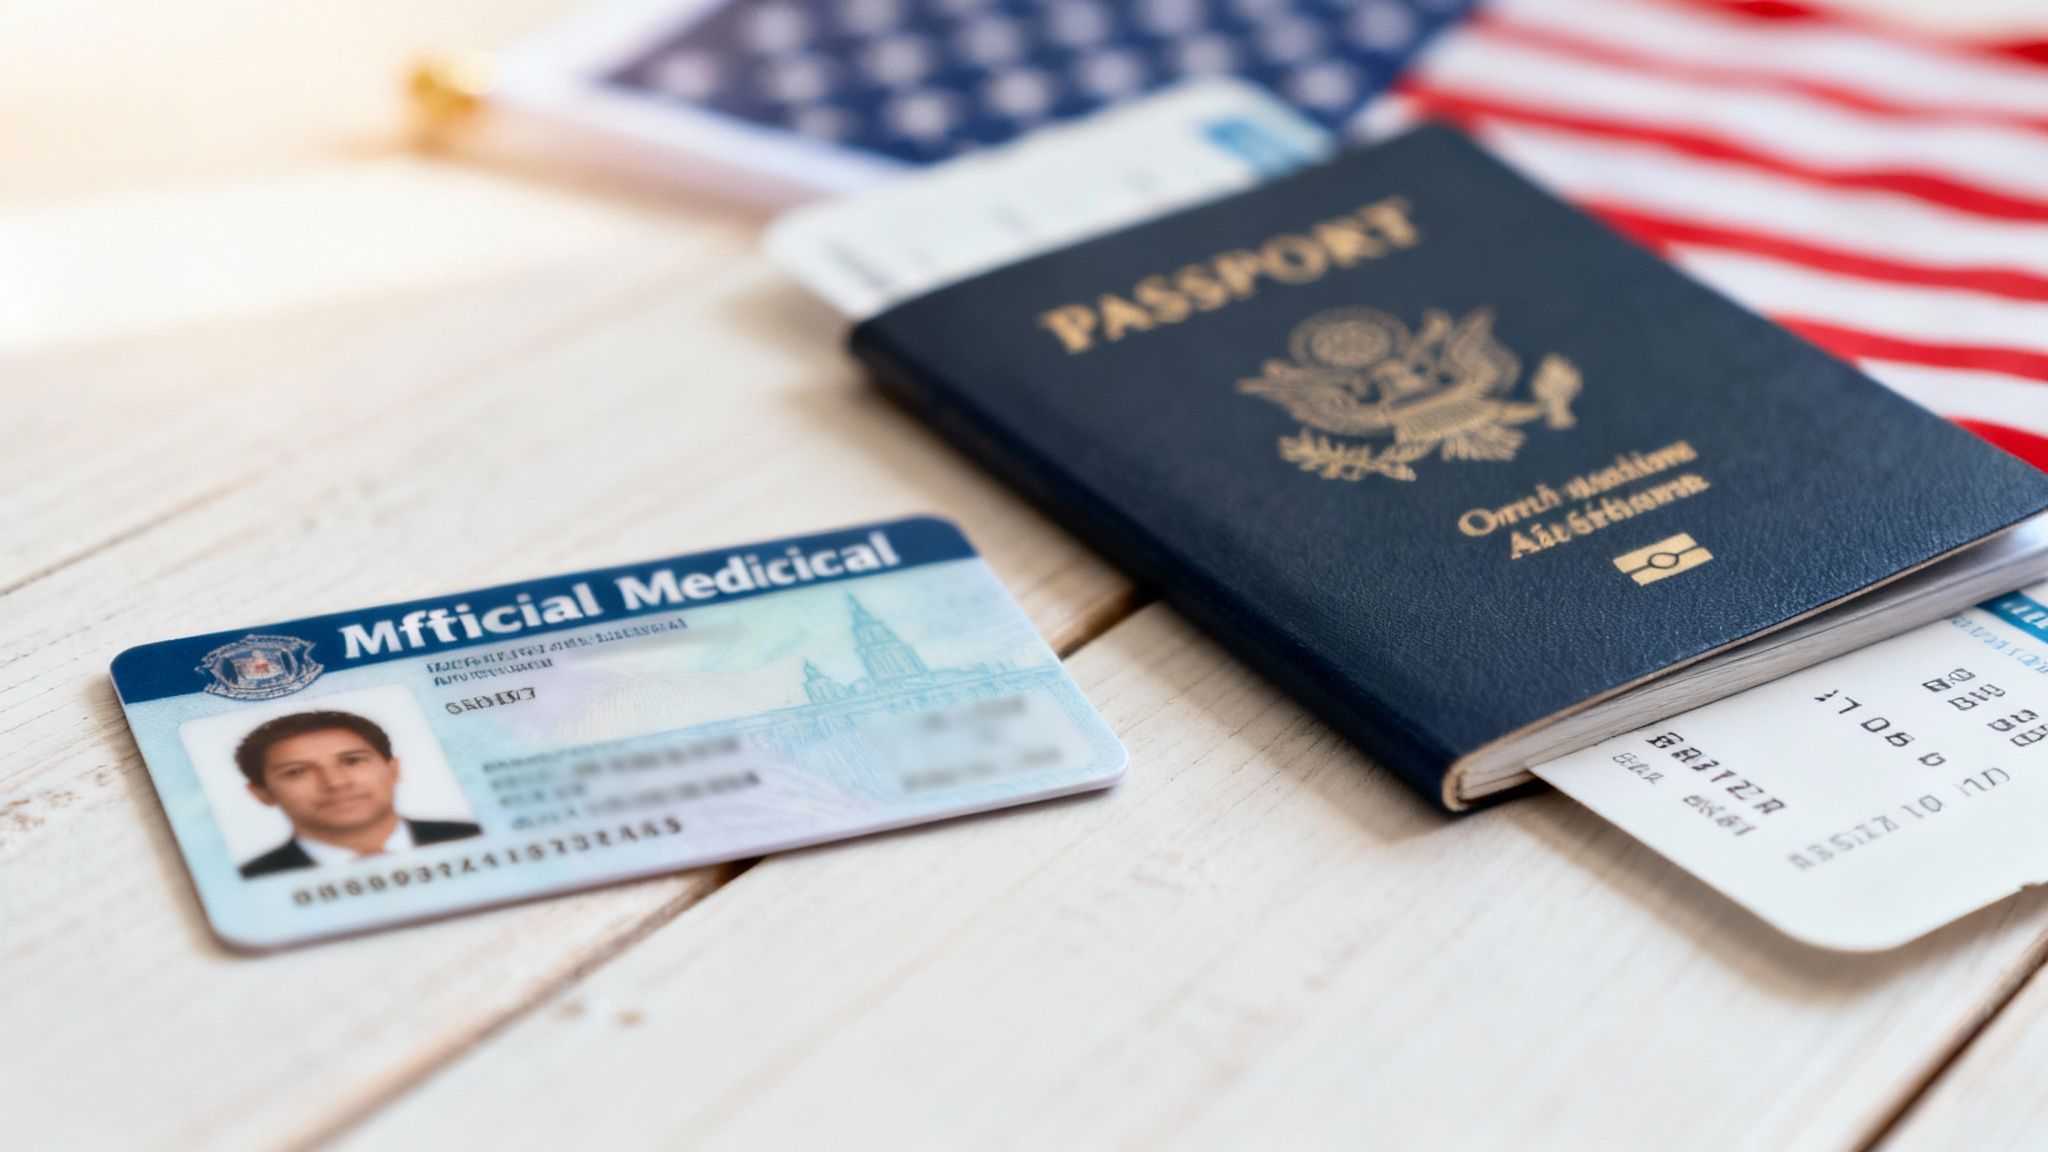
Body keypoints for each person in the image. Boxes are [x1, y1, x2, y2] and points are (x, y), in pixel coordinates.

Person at [233, 709, 480, 878]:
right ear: (261, 793)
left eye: (352, 761)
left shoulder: (474, 837)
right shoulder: (252, 880)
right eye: (297, 772)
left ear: (393, 770)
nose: (336, 783)